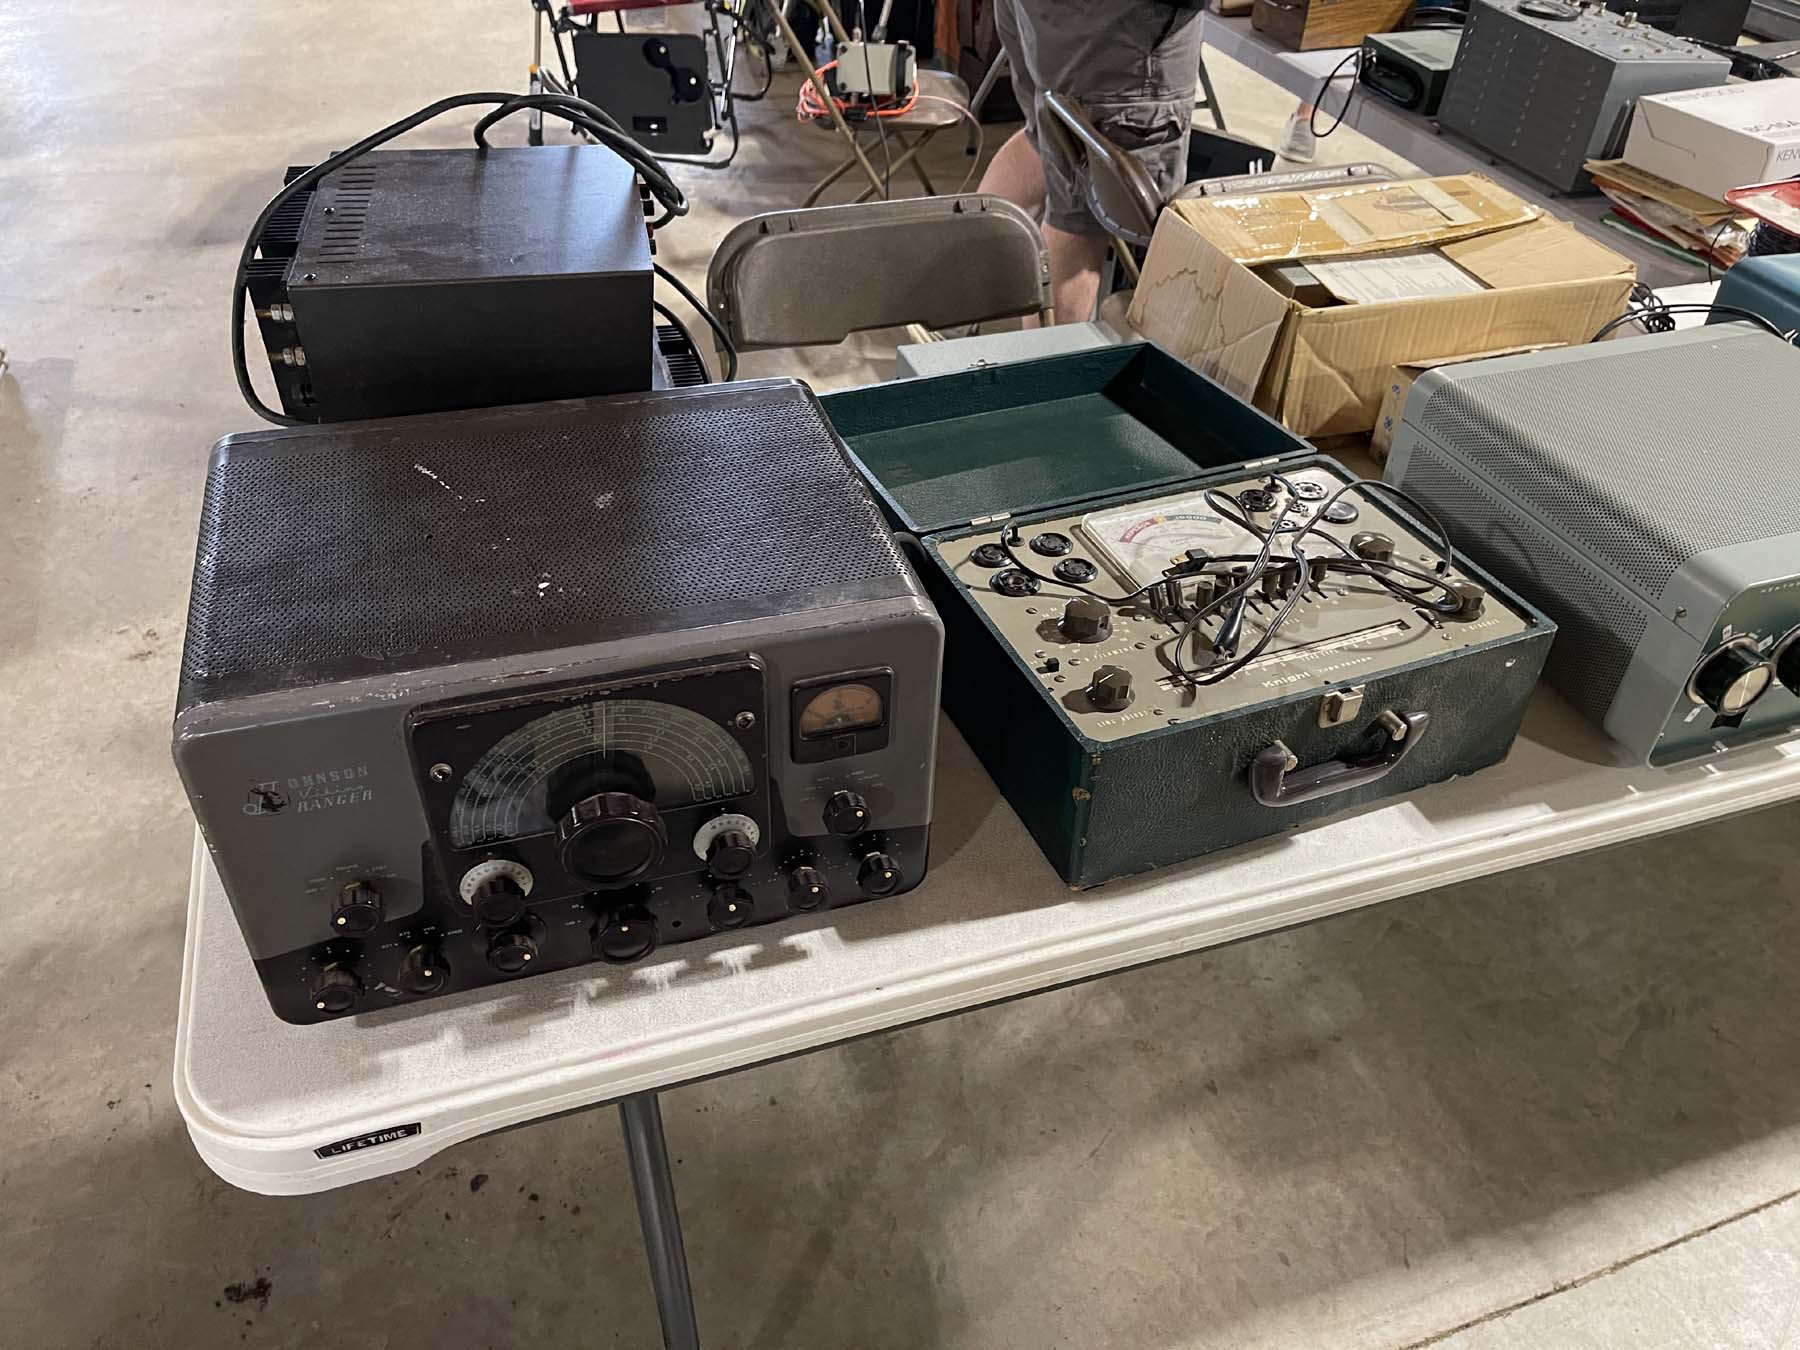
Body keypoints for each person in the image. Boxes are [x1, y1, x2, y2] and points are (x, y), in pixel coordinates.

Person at [976, 0, 1205, 324]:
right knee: (1079, 221)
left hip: (1055, 17)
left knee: (1048, 138)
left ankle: (952, 298)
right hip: (1122, 27)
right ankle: (1048, 359)